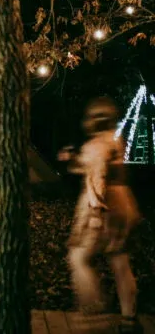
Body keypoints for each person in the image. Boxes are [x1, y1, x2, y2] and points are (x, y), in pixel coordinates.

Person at [60, 97, 141, 332]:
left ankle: (93, 309)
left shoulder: (95, 146)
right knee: (119, 260)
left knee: (78, 256)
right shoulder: (116, 142)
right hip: (124, 203)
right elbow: (92, 166)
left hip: (104, 205)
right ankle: (129, 318)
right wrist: (73, 160)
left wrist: (95, 211)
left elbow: (98, 177)